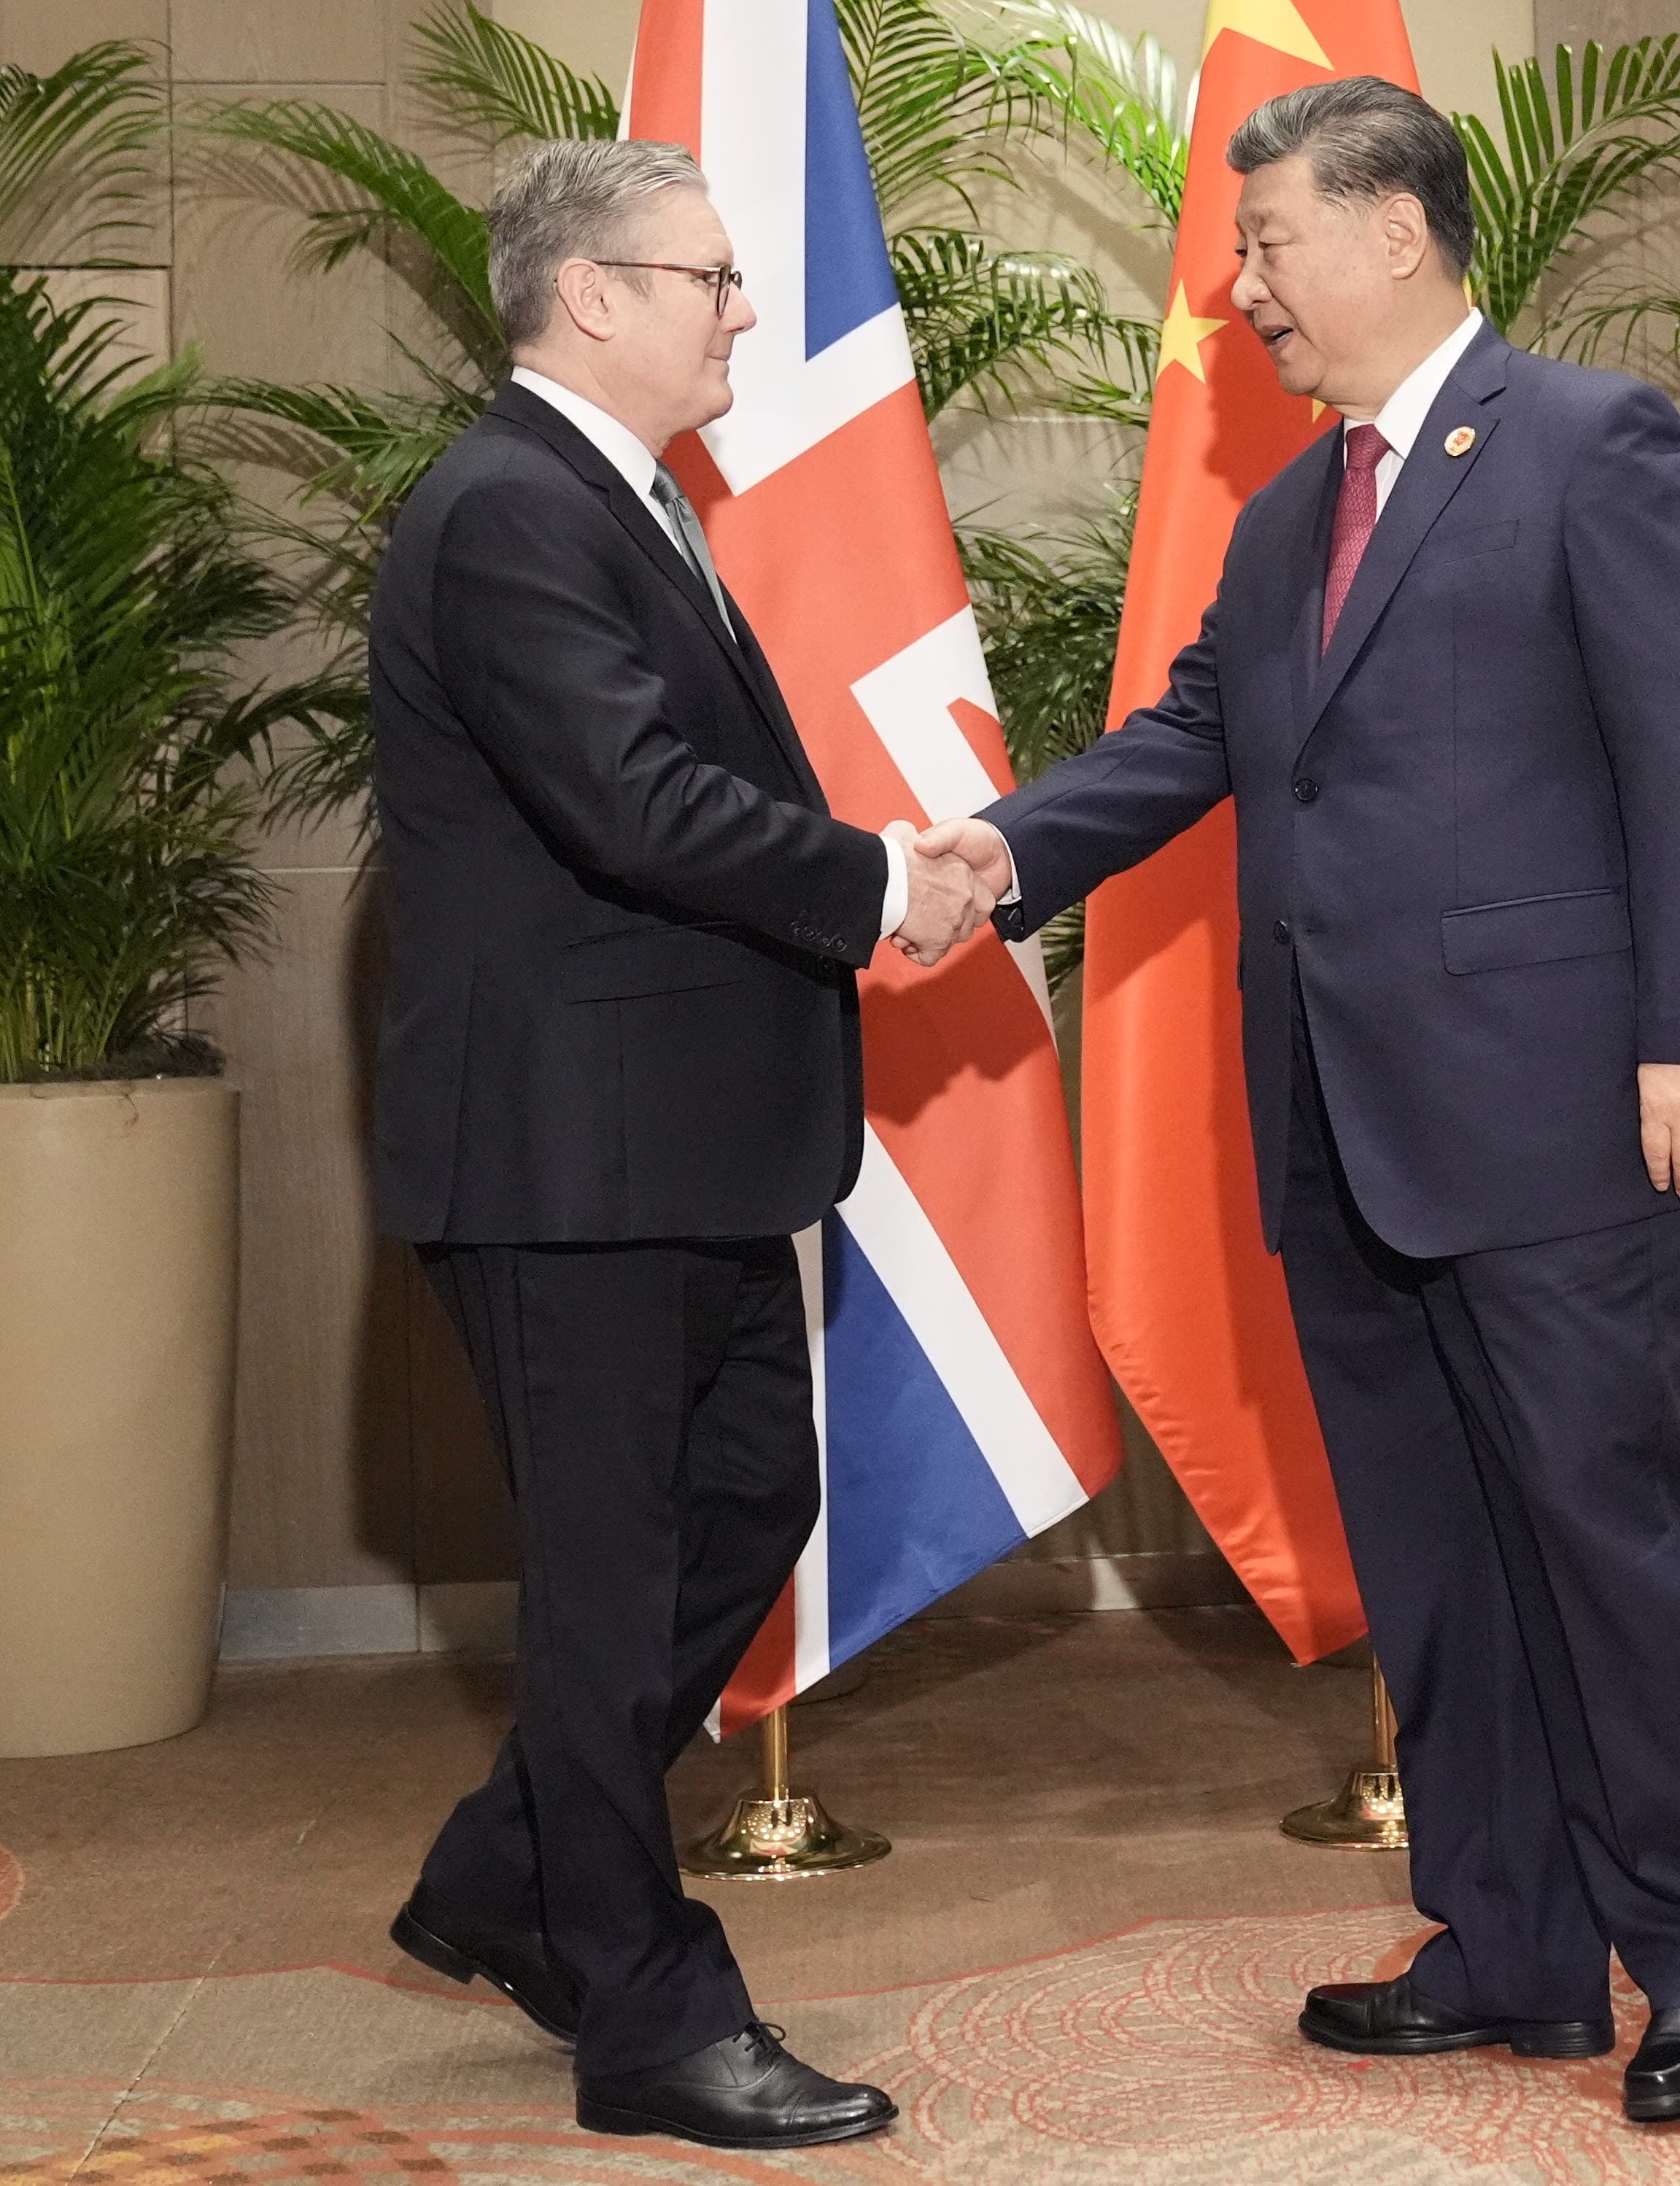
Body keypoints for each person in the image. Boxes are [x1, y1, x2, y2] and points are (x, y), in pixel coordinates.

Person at [921, 78, 1680, 2124]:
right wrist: (990, 858)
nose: (1240, 295)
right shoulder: (1286, 515)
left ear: (1397, 231)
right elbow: (1195, 742)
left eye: (1269, 247)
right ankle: (1506, 1953)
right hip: (1342, 1124)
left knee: (1608, 1551)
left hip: (1570, 1116)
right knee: (1439, 1566)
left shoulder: (1594, 442)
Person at [362, 136, 990, 2154]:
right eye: (709, 277)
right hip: (569, 1165)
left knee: (741, 1509)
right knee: (614, 1594)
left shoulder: (615, 497)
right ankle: (648, 2019)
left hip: (677, 1156)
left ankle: (506, 1874)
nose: (741, 310)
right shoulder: (505, 510)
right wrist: (887, 882)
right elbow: (631, 806)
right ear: (590, 296)